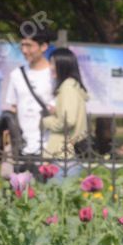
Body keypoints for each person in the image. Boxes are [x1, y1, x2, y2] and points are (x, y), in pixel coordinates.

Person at [4, 27, 54, 157]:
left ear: (43, 46)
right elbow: (13, 107)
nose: (24, 51)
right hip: (23, 145)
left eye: (29, 46)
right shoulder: (16, 74)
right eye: (22, 46)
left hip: (50, 145)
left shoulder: (54, 75)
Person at [41, 48, 89, 181]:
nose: (50, 67)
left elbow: (68, 121)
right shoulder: (73, 86)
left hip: (63, 154)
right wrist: (57, 111)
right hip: (69, 153)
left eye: (52, 63)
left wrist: (46, 121)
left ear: (62, 65)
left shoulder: (67, 88)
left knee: (56, 197)